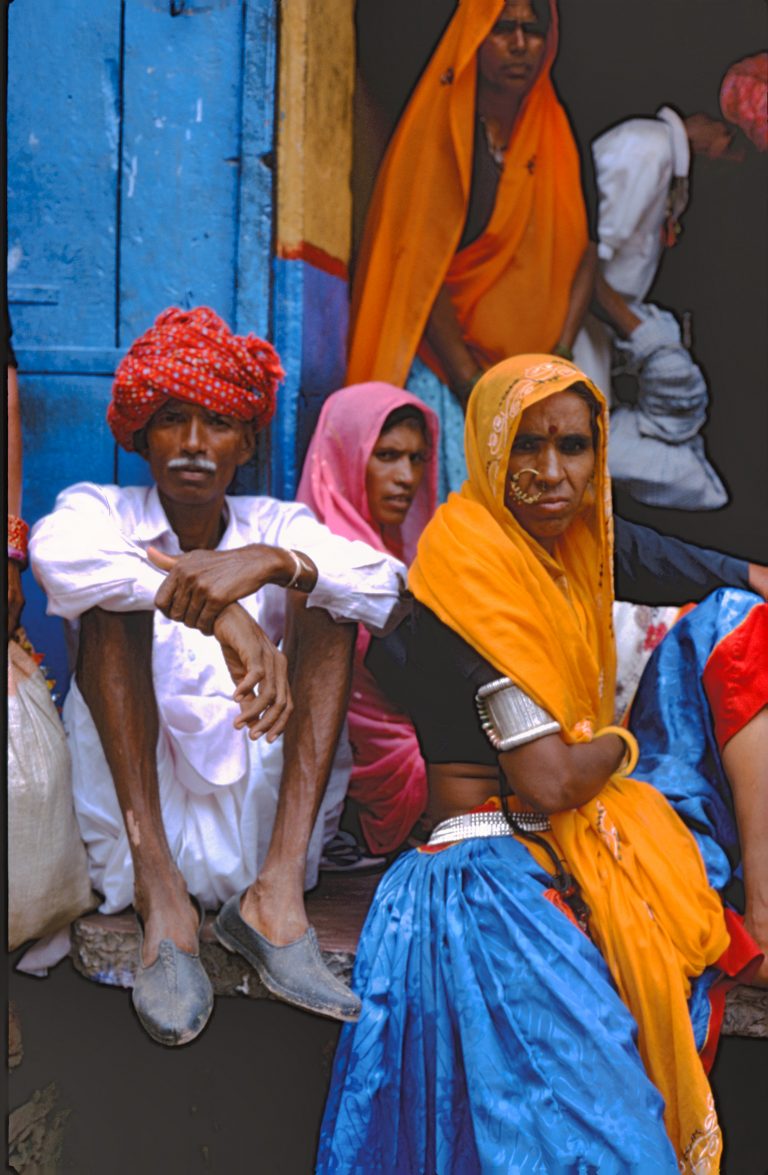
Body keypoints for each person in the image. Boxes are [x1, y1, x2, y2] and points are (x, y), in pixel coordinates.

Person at [317, 356, 762, 1173]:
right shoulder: (472, 575)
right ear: (488, 451)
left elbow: (645, 555)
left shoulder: (551, 557)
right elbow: (550, 778)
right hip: (482, 880)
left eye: (573, 447)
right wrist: (622, 744)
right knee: (598, 1138)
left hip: (543, 851)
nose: (551, 472)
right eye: (526, 445)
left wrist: (743, 573)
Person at [30, 306, 408, 1047]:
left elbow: (387, 587)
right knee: (109, 603)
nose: (196, 444)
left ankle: (272, 904)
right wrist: (224, 615)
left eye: (219, 422)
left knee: (329, 597)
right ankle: (164, 903)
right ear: (141, 435)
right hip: (141, 834)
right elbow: (56, 553)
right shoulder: (101, 511)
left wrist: (277, 563)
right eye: (173, 418)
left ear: (248, 439)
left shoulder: (276, 521)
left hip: (261, 827)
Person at [346, 0, 598, 499]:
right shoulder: (445, 127)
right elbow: (419, 261)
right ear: (475, 38)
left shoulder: (557, 133)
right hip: (448, 370)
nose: (521, 44)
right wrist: (471, 383)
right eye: (504, 28)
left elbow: (586, 253)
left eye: (533, 30)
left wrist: (559, 357)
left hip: (533, 384)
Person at [574, 105, 742, 510]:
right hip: (575, 328)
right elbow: (580, 257)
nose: (733, 159)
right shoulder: (645, 148)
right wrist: (647, 339)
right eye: (733, 145)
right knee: (577, 459)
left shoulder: (670, 168)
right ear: (712, 122)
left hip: (605, 336)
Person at [296, 385, 439, 857]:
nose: (406, 477)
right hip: (360, 760)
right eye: (387, 455)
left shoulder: (409, 552)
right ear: (345, 455)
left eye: (417, 459)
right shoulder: (321, 554)